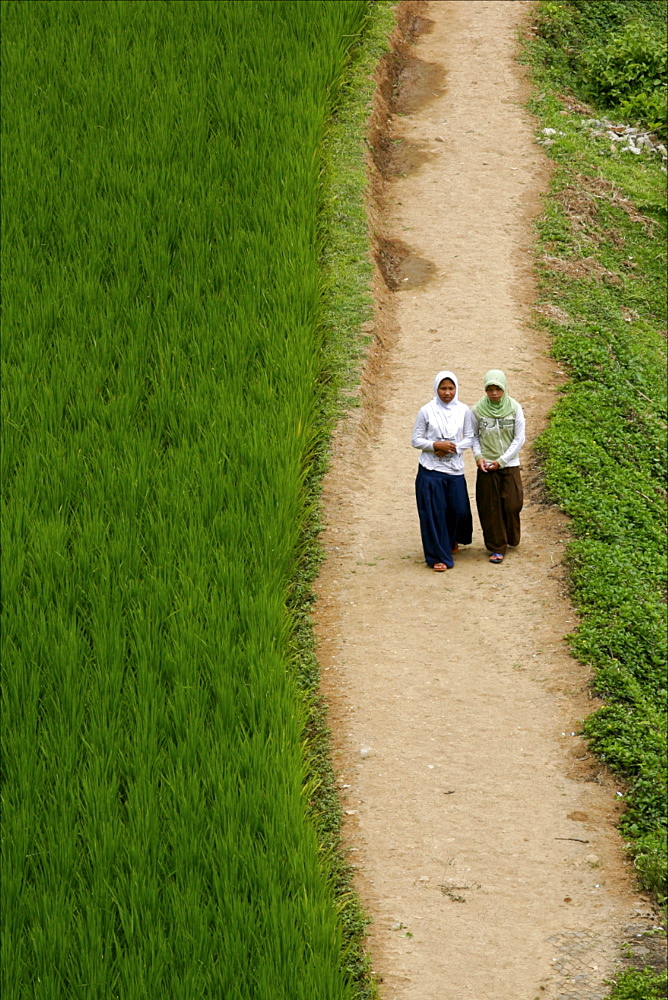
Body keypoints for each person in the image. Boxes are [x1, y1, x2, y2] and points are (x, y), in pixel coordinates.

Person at [411, 370, 474, 571]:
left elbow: (470, 437)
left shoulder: (464, 410)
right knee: (434, 514)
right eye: (443, 388)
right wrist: (435, 445)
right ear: (436, 389)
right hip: (431, 471)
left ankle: (452, 539)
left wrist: (452, 447)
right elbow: (416, 439)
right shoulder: (426, 411)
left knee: (459, 510)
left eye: (450, 388)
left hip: (454, 469)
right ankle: (438, 556)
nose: (447, 393)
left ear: (456, 389)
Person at [471, 369, 526, 564]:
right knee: (491, 508)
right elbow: (474, 436)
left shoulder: (514, 408)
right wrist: (479, 457)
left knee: (513, 504)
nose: (494, 393)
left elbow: (519, 438)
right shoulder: (477, 410)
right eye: (490, 389)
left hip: (509, 464)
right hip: (487, 464)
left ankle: (511, 538)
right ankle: (497, 547)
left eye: (498, 389)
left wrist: (502, 460)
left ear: (504, 388)